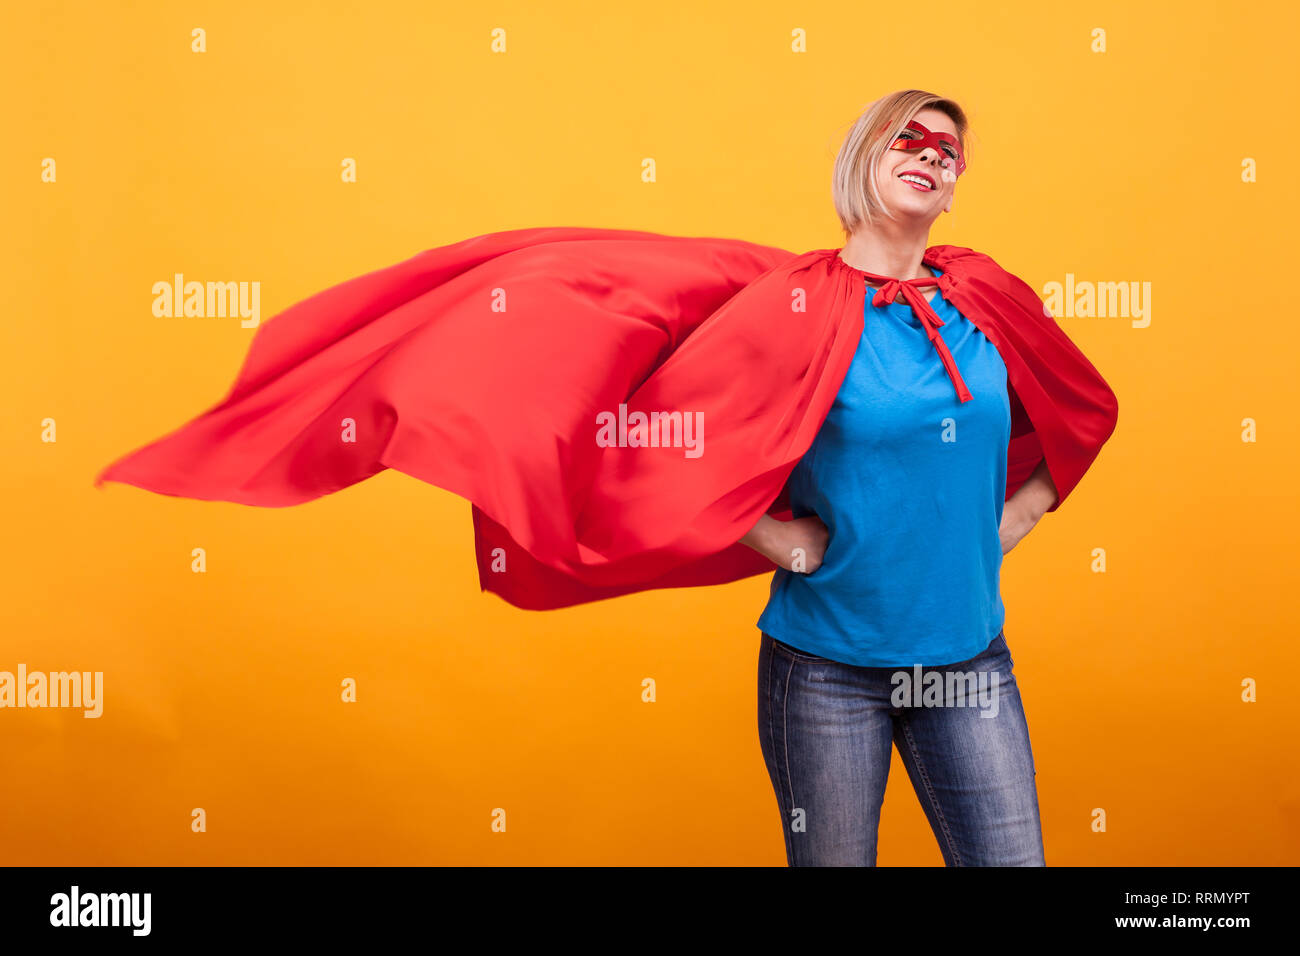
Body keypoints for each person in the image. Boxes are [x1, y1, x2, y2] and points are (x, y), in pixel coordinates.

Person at [738, 89, 1058, 866]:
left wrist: (1015, 519)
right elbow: (690, 446)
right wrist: (779, 542)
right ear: (860, 161)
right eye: (908, 140)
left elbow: (1074, 409)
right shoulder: (800, 307)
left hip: (966, 665)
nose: (931, 155)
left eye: (946, 152)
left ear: (951, 194)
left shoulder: (984, 297)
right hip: (827, 673)